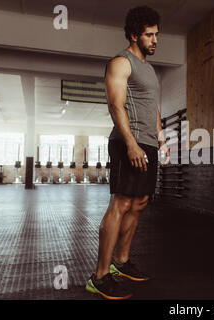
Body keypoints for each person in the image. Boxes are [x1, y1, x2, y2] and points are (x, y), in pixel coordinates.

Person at [85, 5, 170, 300]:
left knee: (140, 203)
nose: (155, 40)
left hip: (147, 142)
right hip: (126, 142)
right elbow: (115, 105)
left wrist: (160, 139)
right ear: (134, 35)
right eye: (149, 35)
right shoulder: (121, 63)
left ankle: (121, 261)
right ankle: (99, 276)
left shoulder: (149, 69)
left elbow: (153, 106)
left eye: (157, 34)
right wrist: (131, 143)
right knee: (120, 204)